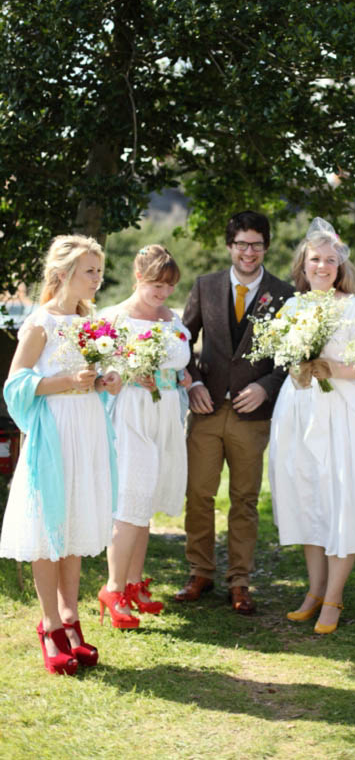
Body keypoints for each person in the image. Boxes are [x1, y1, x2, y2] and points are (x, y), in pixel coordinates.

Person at [268, 218, 355, 635]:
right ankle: (313, 591)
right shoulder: (292, 307)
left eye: (330, 260)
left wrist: (332, 367)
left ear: (340, 266)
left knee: (340, 498)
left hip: (341, 409)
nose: (323, 266)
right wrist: (300, 363)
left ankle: (334, 597)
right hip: (298, 407)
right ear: (303, 263)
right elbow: (281, 355)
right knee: (307, 497)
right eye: (315, 259)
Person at [0, 235, 120, 674]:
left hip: (87, 431)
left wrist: (106, 380)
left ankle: (72, 618)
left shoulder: (93, 322)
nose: (98, 278)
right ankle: (49, 623)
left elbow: (100, 380)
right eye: (90, 270)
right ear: (63, 274)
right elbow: (15, 384)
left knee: (74, 525)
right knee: (49, 528)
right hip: (54, 434)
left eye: (99, 270)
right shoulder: (40, 324)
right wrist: (68, 380)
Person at [174, 211, 294, 614]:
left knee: (244, 499)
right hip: (206, 409)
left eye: (256, 244)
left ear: (266, 247)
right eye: (241, 243)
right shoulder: (204, 286)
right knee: (199, 494)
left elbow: (291, 359)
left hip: (251, 414)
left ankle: (240, 581)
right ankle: (200, 572)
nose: (249, 252)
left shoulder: (284, 294)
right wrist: (192, 384)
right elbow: (180, 342)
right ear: (229, 246)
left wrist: (265, 387)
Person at [98, 245, 191, 628]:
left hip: (166, 413)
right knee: (130, 498)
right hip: (131, 414)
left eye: (168, 285)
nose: (162, 292)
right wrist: (126, 373)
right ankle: (113, 588)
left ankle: (134, 583)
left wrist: (184, 378)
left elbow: (181, 366)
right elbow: (100, 370)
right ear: (138, 277)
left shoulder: (175, 320)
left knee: (147, 499)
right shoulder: (114, 319)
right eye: (155, 284)